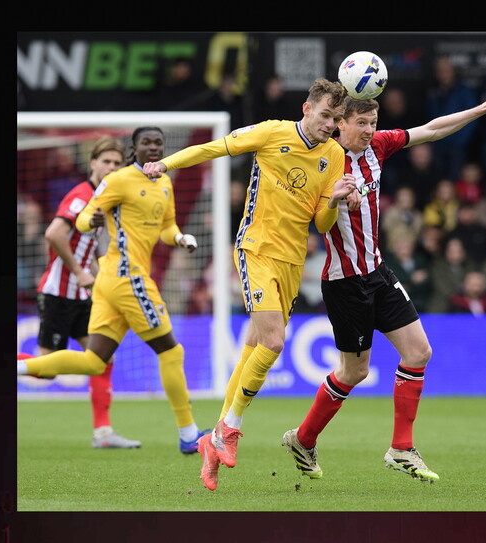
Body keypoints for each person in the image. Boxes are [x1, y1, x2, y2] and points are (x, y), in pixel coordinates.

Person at [281, 89, 486, 483]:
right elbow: (318, 225)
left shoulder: (378, 146)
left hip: (377, 272)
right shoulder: (323, 160)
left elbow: (431, 130)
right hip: (344, 282)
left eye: (373, 123)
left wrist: (481, 108)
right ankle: (303, 439)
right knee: (353, 373)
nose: (369, 130)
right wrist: (334, 200)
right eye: (362, 123)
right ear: (340, 124)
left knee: (419, 351)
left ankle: (401, 448)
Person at [142, 79, 356, 491]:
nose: (330, 124)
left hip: (292, 261)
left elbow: (323, 224)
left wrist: (336, 199)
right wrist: (165, 164)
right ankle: (230, 427)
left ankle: (212, 442)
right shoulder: (272, 131)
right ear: (307, 109)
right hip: (255, 248)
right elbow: (213, 148)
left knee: (256, 345)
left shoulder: (334, 156)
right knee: (274, 342)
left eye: (336, 119)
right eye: (325, 115)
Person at [17, 127, 207, 458]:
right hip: (127, 278)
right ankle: (188, 434)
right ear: (134, 148)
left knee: (94, 361)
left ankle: (18, 367)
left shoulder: (164, 182)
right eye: (146, 142)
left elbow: (167, 227)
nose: (153, 147)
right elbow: (83, 220)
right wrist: (91, 222)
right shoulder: (118, 180)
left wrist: (179, 238)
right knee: (171, 352)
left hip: (110, 281)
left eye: (158, 143)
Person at [31, 135, 140, 449]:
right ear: (93, 163)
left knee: (102, 358)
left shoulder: (105, 198)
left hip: (83, 296)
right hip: (59, 293)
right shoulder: (82, 195)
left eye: (116, 163)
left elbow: (87, 244)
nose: (111, 167)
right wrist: (79, 272)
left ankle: (103, 433)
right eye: (105, 161)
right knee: (46, 370)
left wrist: (97, 269)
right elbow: (54, 233)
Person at [426, 56, 479, 179]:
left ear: (454, 71)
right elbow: (429, 117)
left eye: (447, 70)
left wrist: (459, 142)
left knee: (456, 178)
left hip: (458, 146)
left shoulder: (465, 92)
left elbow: (472, 119)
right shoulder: (433, 93)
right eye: (440, 71)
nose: (444, 74)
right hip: (437, 144)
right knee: (438, 178)